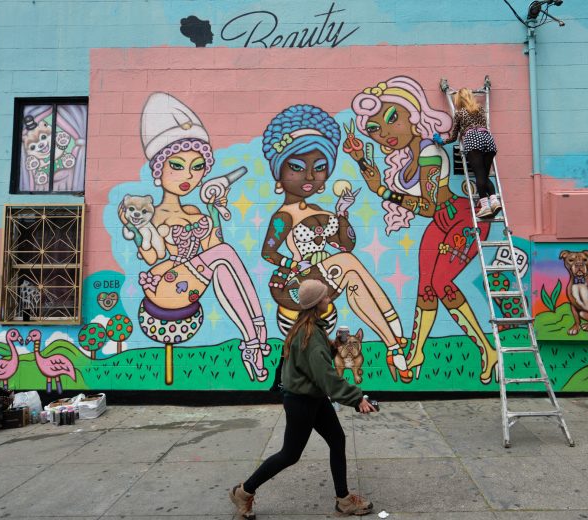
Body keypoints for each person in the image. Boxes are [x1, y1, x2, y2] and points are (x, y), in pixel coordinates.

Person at [349, 76, 498, 385]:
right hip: (439, 224)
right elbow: (387, 188)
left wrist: (387, 193)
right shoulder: (410, 161)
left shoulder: (429, 152)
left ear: (413, 114)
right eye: (376, 130)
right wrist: (362, 159)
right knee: (426, 288)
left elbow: (430, 206)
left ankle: (488, 349)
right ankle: (416, 352)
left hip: (460, 218)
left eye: (392, 118)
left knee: (442, 283)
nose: (385, 133)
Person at [122, 92, 268, 383]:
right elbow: (153, 258)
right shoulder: (152, 214)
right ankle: (257, 329)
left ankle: (252, 340)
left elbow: (214, 248)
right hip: (164, 291)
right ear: (158, 169)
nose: (188, 175)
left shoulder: (194, 210)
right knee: (223, 256)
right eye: (177, 166)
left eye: (197, 166)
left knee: (223, 259)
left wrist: (214, 209)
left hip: (189, 283)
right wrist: (138, 230)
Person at [261, 104, 409, 383]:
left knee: (351, 270)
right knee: (348, 265)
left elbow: (345, 244)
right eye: (296, 168)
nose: (309, 177)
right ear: (279, 175)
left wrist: (342, 212)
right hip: (295, 283)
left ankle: (391, 344)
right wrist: (294, 262)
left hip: (324, 276)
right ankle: (393, 333)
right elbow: (267, 252)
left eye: (318, 169)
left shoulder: (320, 210)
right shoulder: (283, 216)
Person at [230, 279, 376, 519]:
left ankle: (344, 500)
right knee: (290, 454)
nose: (329, 299)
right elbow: (326, 376)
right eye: (326, 297)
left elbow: (311, 362)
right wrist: (356, 398)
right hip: (302, 401)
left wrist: (333, 346)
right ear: (316, 303)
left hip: (312, 397)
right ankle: (244, 492)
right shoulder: (310, 333)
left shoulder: (305, 327)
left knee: (337, 440)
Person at [442, 87, 500, 219]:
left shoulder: (460, 113)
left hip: (473, 140)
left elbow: (454, 137)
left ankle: (485, 206)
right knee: (484, 176)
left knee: (479, 175)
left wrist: (442, 142)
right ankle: (495, 201)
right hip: (488, 140)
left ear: (459, 100)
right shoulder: (480, 109)